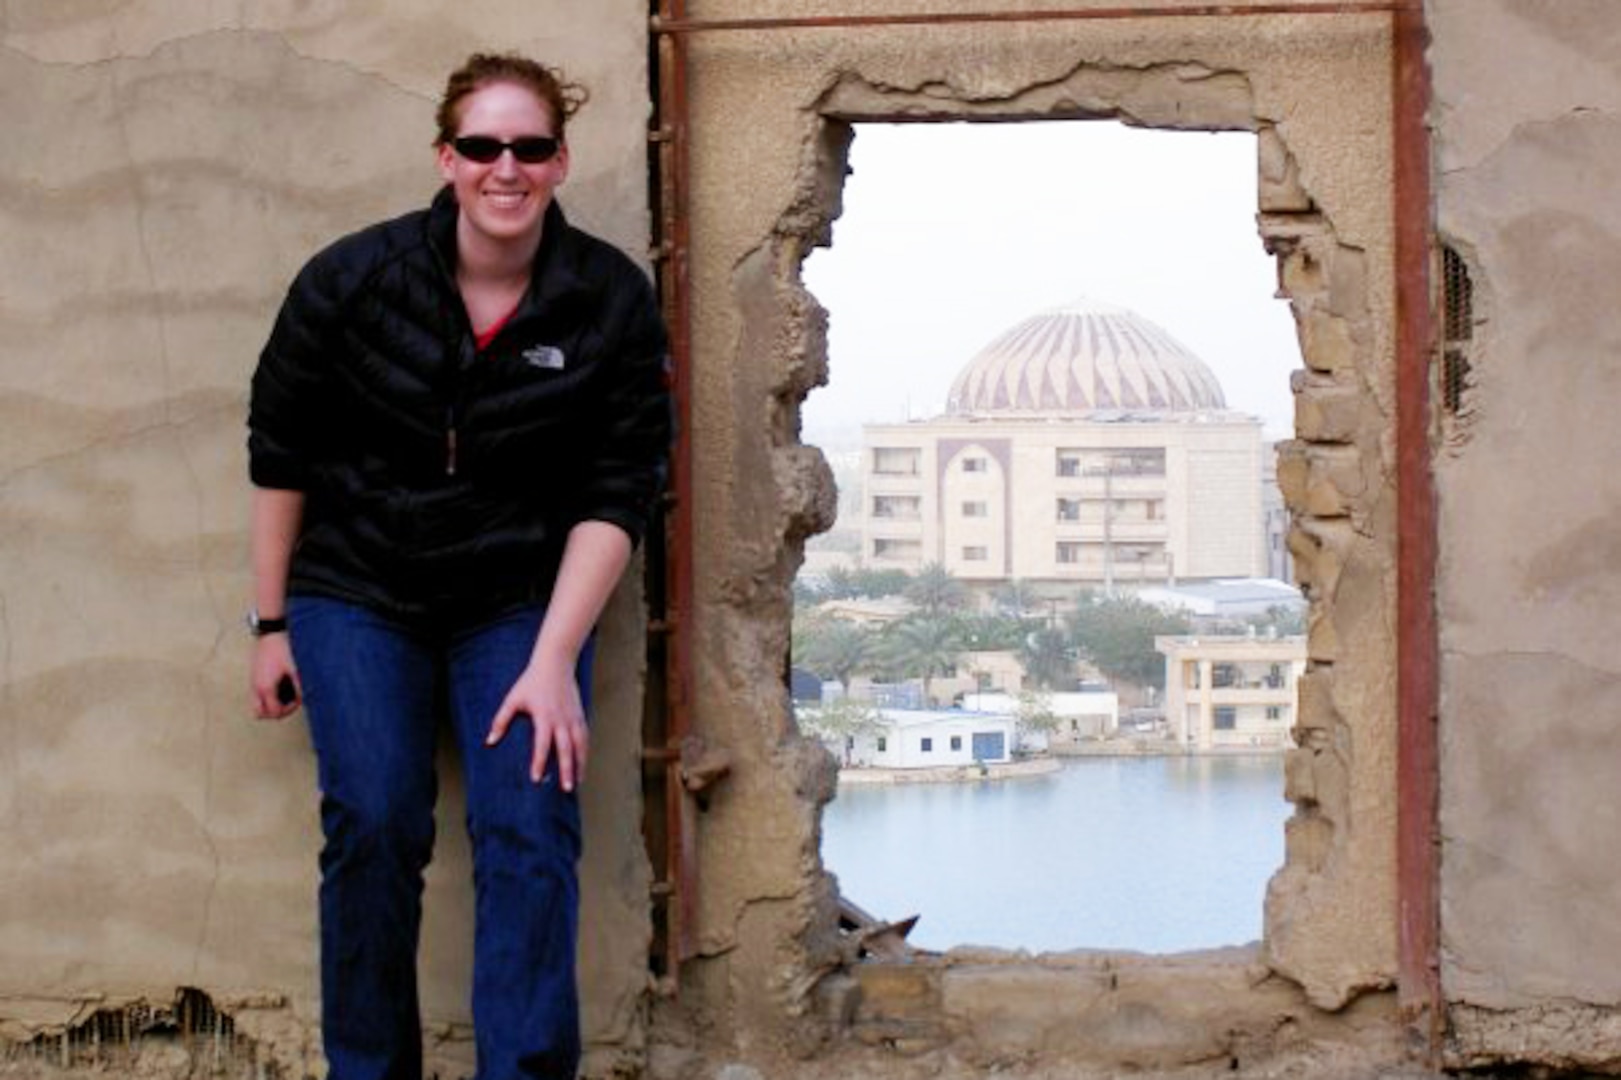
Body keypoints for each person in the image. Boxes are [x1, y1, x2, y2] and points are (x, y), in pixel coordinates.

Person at [246, 52, 671, 1080]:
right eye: (482, 146)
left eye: (529, 147)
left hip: (517, 603)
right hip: (357, 592)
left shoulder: (606, 298)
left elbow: (618, 494)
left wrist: (552, 661)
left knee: (527, 823)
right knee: (375, 823)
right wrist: (268, 628)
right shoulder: (353, 279)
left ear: (560, 160)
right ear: (447, 157)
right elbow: (279, 451)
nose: (506, 168)